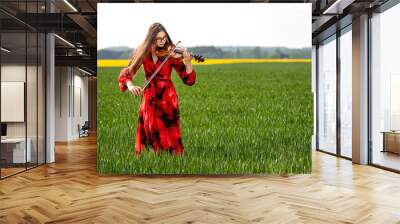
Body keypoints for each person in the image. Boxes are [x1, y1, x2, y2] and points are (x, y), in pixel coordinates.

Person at [118, 22, 196, 156]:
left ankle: (173, 160)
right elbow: (127, 73)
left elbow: (188, 79)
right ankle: (152, 158)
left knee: (169, 130)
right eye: (158, 39)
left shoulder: (170, 52)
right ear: (151, 38)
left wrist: (188, 62)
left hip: (167, 96)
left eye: (164, 38)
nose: (162, 41)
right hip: (149, 94)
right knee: (149, 127)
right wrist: (130, 86)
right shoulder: (142, 52)